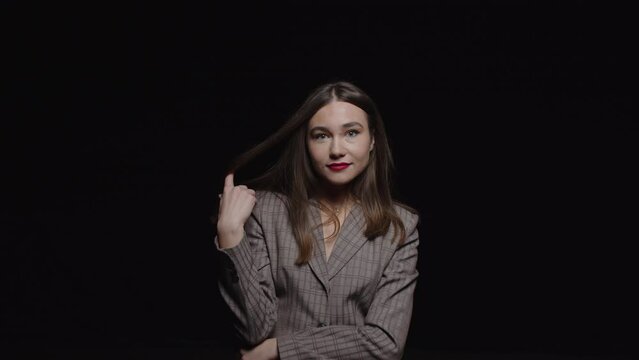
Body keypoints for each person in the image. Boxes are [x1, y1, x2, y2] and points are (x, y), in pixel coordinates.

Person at [215, 81, 420, 360]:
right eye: (321, 136)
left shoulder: (400, 226)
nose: (337, 149)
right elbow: (254, 331)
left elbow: (385, 343)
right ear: (306, 143)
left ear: (372, 140)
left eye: (351, 133)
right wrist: (230, 235)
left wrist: (281, 349)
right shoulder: (265, 211)